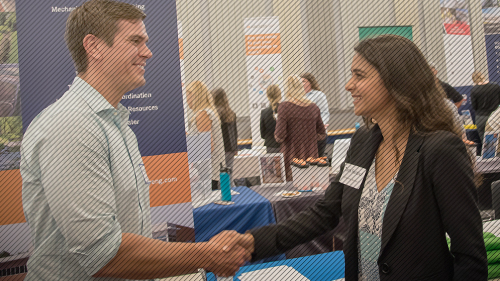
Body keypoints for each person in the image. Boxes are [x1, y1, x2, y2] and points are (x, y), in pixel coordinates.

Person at [213, 35, 487, 280]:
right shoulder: (364, 141)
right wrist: (252, 241)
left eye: (359, 75)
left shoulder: (439, 150)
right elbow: (325, 213)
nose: (348, 85)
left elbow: (470, 256)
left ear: (396, 81)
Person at [20, 1, 249, 280]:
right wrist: (207, 255)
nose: (148, 52)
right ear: (93, 47)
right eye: (135, 41)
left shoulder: (114, 124)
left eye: (146, 41)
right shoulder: (71, 125)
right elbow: (103, 254)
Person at [275, 76, 326, 181]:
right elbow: (322, 134)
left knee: (292, 192)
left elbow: (279, 136)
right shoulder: (314, 107)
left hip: (291, 157)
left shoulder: (284, 107)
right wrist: (309, 136)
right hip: (311, 156)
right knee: (311, 188)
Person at [186, 81, 226, 190]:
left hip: (207, 172)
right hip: (209, 171)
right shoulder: (206, 112)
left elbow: (207, 146)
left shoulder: (203, 114)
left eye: (187, 96)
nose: (186, 100)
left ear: (195, 96)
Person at [301, 73, 330, 156]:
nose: (301, 83)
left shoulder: (319, 95)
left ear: (310, 82)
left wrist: (320, 125)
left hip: (317, 133)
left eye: (303, 81)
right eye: (300, 81)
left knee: (317, 160)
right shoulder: (299, 96)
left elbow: (324, 113)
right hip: (304, 135)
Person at [471, 71, 500, 146]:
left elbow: (475, 106)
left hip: (481, 118)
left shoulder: (474, 90)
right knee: (498, 144)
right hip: (495, 118)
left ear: (473, 79)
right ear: (483, 76)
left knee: (486, 146)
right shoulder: (496, 86)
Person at [212, 88, 238, 169]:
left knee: (220, 176)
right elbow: (235, 133)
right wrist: (235, 147)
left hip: (220, 149)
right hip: (231, 149)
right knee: (228, 174)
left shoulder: (215, 114)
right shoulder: (231, 113)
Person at [260, 84, 281, 153]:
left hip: (270, 146)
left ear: (267, 95)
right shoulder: (285, 110)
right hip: (284, 145)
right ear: (280, 94)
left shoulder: (264, 112)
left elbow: (262, 134)